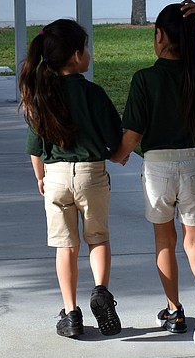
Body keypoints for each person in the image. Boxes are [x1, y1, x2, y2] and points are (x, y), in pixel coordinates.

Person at [112, 0, 195, 350]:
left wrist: (115, 156)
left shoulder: (145, 79)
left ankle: (174, 311)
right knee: (194, 242)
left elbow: (131, 137)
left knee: (164, 241)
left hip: (158, 167)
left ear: (160, 35)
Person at [19, 19, 123, 338]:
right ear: (76, 56)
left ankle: (71, 313)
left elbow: (35, 148)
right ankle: (101, 292)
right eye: (87, 49)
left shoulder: (41, 95)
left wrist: (41, 178)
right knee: (98, 238)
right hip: (91, 174)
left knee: (65, 247)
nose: (88, 54)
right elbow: (113, 138)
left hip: (56, 177)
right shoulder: (93, 93)